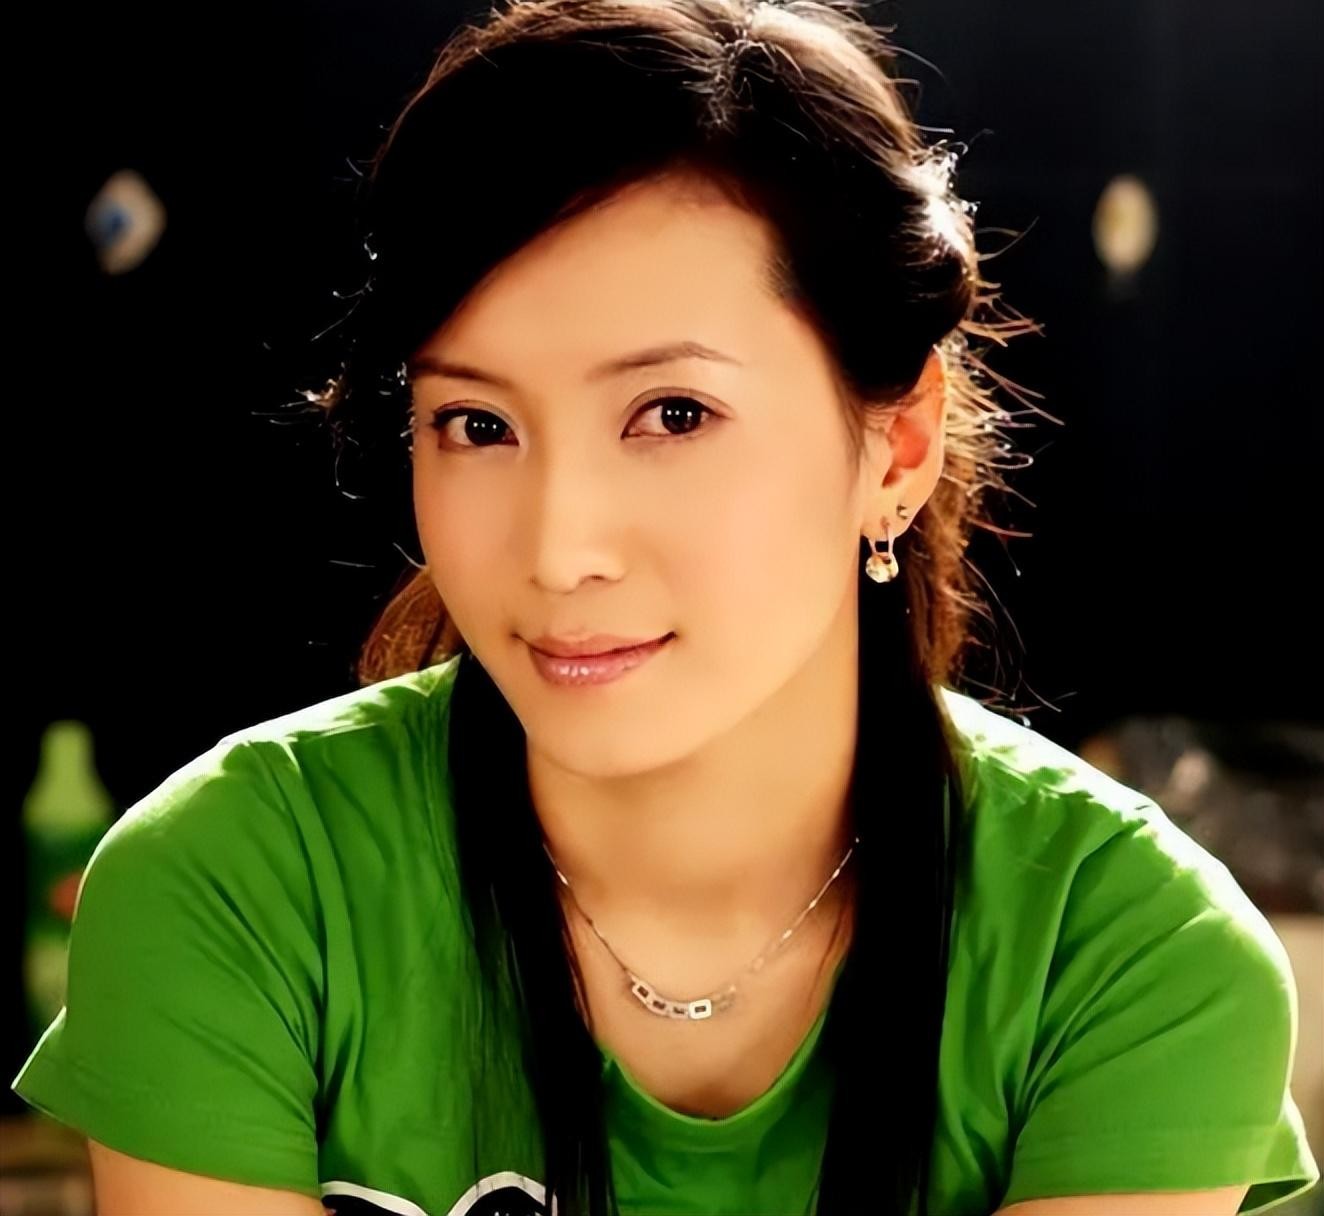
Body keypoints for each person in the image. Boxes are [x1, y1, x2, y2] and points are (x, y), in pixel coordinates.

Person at [11, 0, 1319, 1213]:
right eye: (476, 424)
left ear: (899, 446)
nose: (558, 550)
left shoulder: (1130, 953)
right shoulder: (231, 889)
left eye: (674, 414)